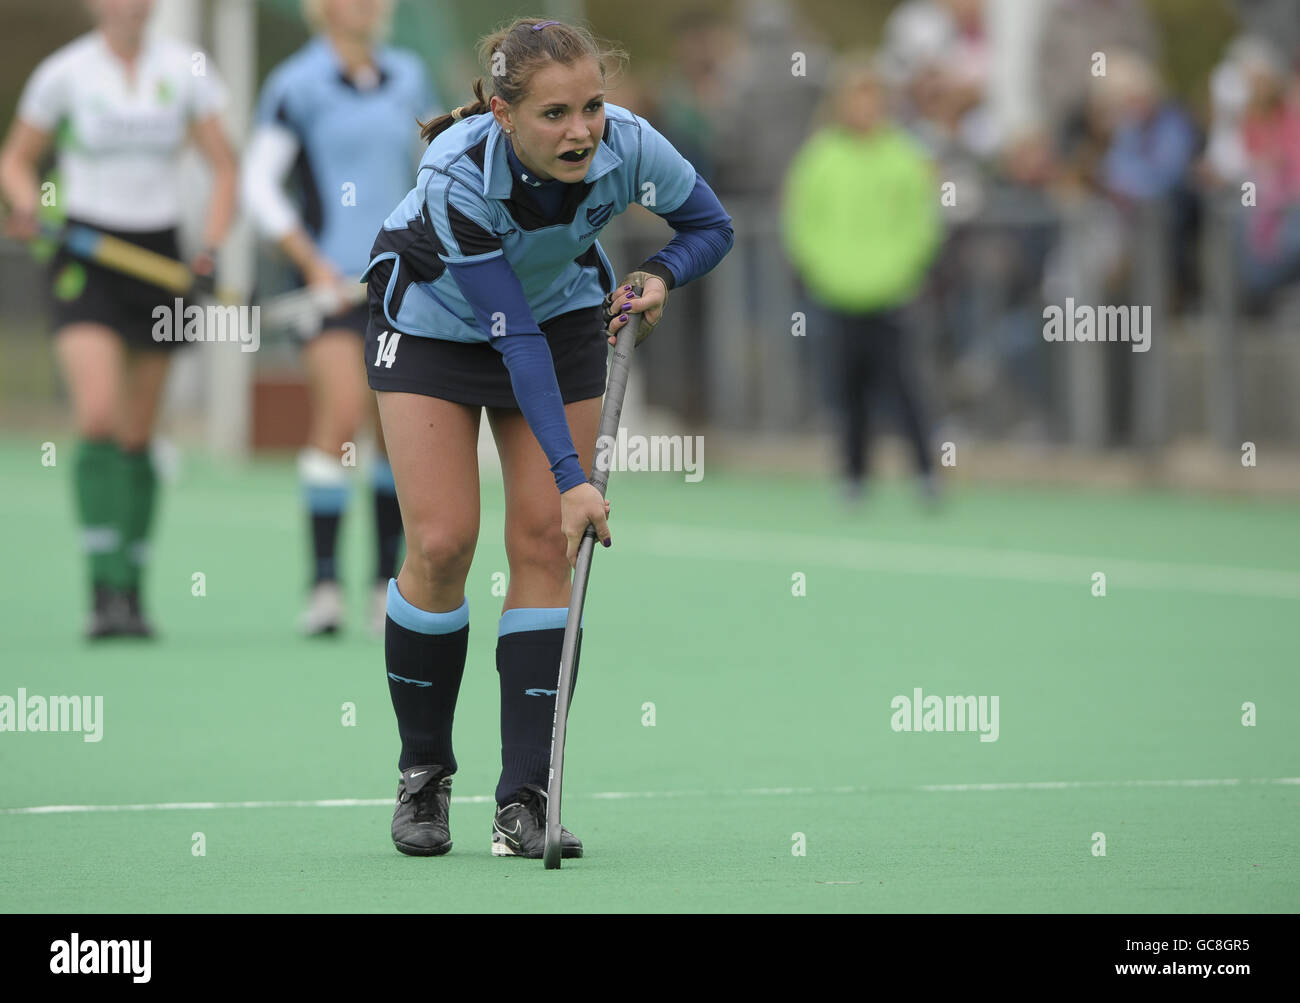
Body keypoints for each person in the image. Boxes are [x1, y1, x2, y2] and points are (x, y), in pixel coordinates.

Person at [364, 16, 732, 858]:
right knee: (443, 540)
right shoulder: (456, 174)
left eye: (592, 107)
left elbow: (712, 226)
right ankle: (424, 772)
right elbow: (510, 338)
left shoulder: (629, 143)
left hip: (563, 314)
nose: (582, 131)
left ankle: (523, 798)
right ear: (502, 113)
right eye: (556, 114)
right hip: (433, 325)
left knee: (541, 540)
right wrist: (576, 476)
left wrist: (656, 273)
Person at [0, 0, 236, 639]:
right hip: (85, 256)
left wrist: (210, 248)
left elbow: (225, 167)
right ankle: (101, 589)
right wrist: (31, 205)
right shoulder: (64, 73)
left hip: (158, 259)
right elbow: (16, 161)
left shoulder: (186, 70)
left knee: (137, 435)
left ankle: (131, 590)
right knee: (99, 416)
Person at [242, 0, 438, 636]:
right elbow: (259, 186)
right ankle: (324, 585)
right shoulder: (295, 84)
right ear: (322, 9)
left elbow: (432, 171)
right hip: (326, 291)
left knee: (393, 427)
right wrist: (312, 261)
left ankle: (384, 586)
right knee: (343, 411)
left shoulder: (409, 76)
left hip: (399, 285)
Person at [781, 57, 940, 503]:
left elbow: (922, 221)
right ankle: (854, 476)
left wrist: (901, 271)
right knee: (847, 390)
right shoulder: (820, 157)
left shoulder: (905, 155)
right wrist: (825, 271)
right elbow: (802, 221)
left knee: (906, 385)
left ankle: (927, 473)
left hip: (893, 294)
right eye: (856, 99)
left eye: (872, 99)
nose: (864, 109)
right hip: (837, 295)